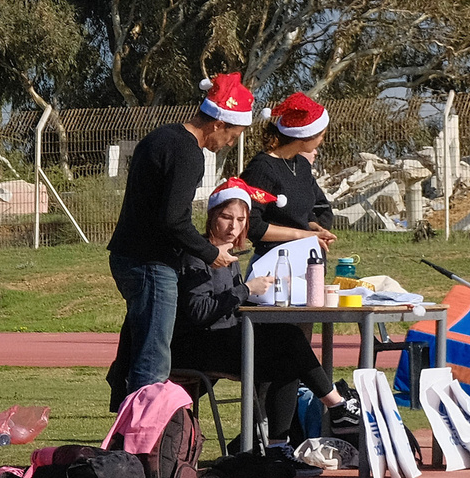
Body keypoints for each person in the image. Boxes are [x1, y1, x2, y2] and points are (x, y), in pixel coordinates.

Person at [107, 73, 252, 403]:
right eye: (233, 134)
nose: (230, 143)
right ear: (217, 123)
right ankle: (140, 442)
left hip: (129, 256)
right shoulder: (189, 153)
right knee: (154, 359)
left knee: (146, 347)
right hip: (152, 263)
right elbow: (174, 219)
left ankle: (132, 433)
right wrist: (208, 252)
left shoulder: (161, 137)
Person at [172, 179, 350, 443]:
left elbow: (230, 304)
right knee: (288, 338)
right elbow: (199, 311)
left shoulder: (230, 255)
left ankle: (278, 445)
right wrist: (246, 290)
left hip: (225, 339)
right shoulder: (197, 256)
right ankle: (338, 407)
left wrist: (266, 295)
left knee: (288, 361)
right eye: (225, 217)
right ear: (211, 217)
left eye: (241, 220)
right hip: (198, 347)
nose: (233, 226)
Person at [244, 93, 340, 253]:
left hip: (304, 258)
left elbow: (301, 215)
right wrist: (302, 235)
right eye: (322, 135)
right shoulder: (262, 168)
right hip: (273, 260)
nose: (322, 141)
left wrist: (316, 229)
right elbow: (251, 224)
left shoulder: (301, 164)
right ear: (305, 137)